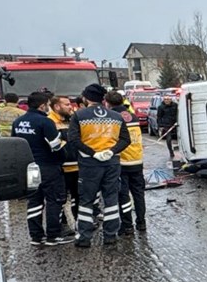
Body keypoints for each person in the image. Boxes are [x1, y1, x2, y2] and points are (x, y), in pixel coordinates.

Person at [67, 84, 130, 247]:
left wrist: (92, 152)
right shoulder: (116, 116)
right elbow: (125, 139)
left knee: (87, 200)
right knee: (111, 198)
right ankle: (110, 235)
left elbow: (73, 140)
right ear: (103, 99)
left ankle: (84, 238)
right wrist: (111, 151)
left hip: (89, 164)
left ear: (86, 98)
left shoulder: (78, 116)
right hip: (112, 163)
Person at [12, 92, 74, 245]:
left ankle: (36, 236)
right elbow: (55, 146)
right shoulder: (45, 122)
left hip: (29, 168)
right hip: (48, 167)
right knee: (55, 199)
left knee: (34, 200)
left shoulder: (18, 122)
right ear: (42, 105)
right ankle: (54, 235)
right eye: (47, 104)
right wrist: (62, 158)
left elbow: (15, 145)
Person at [106, 91, 146, 234]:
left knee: (123, 196)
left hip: (121, 162)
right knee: (139, 194)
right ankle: (141, 223)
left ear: (108, 103)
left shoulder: (112, 118)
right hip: (137, 160)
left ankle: (127, 225)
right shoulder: (133, 116)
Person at [47, 94, 80, 226]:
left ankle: (79, 221)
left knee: (78, 196)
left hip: (77, 166)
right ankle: (62, 225)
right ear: (56, 106)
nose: (70, 107)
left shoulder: (71, 119)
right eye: (66, 104)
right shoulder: (49, 122)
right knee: (59, 198)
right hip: (61, 167)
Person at [155, 93, 179, 160]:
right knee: (169, 139)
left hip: (175, 123)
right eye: (165, 99)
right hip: (167, 125)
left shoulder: (175, 105)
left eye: (168, 99)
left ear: (171, 100)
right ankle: (171, 152)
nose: (167, 101)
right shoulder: (161, 107)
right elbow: (159, 117)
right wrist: (160, 125)